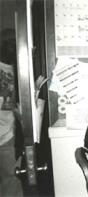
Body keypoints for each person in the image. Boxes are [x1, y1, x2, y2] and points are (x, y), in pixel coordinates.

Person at [0, 28, 23, 197]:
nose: (13, 49)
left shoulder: (19, 70)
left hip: (9, 135)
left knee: (11, 179)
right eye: (10, 45)